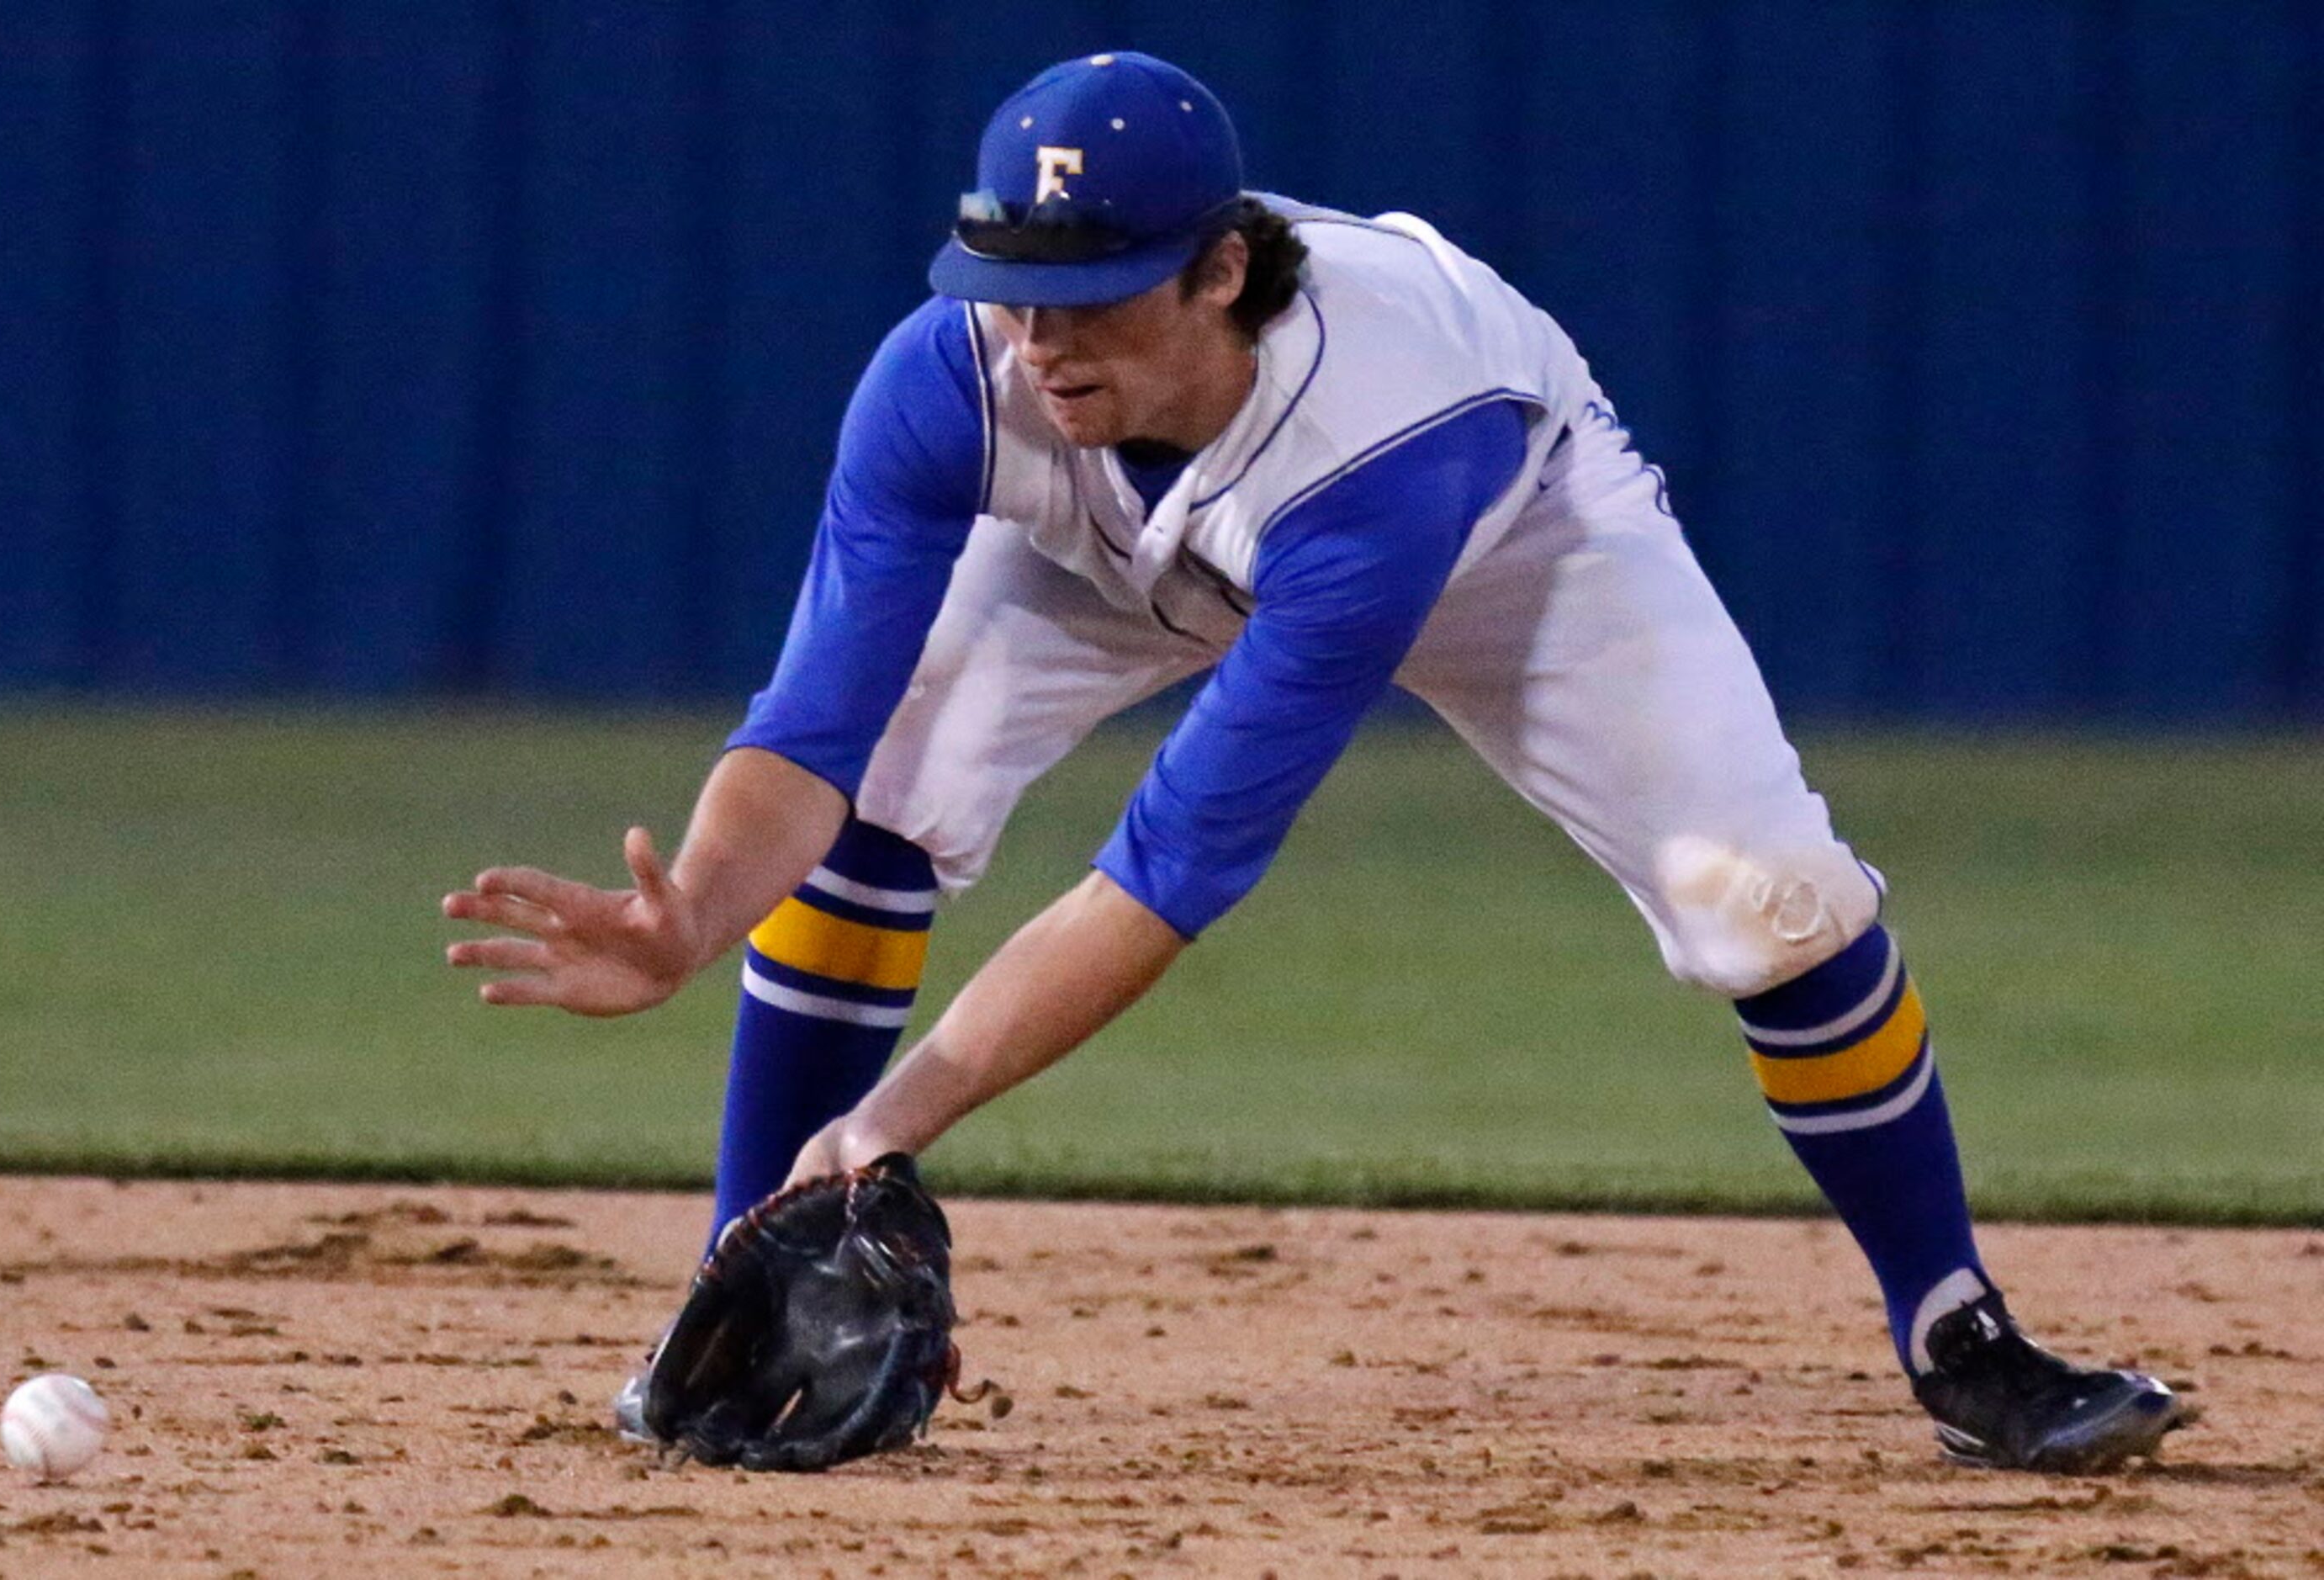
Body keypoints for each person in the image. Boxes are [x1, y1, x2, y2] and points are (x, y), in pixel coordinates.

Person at [444, 51, 2187, 1474]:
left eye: (1092, 298)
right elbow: (813, 722)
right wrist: (688, 921)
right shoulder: (960, 379)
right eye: (1011, 294)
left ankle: (1956, 1331)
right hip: (1107, 537)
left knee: (1774, 906)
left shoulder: (1381, 446)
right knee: (881, 801)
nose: (1040, 343)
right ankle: (743, 1281)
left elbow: (1167, 869)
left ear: (1217, 268)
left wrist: (897, 1123)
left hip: (1511, 543)